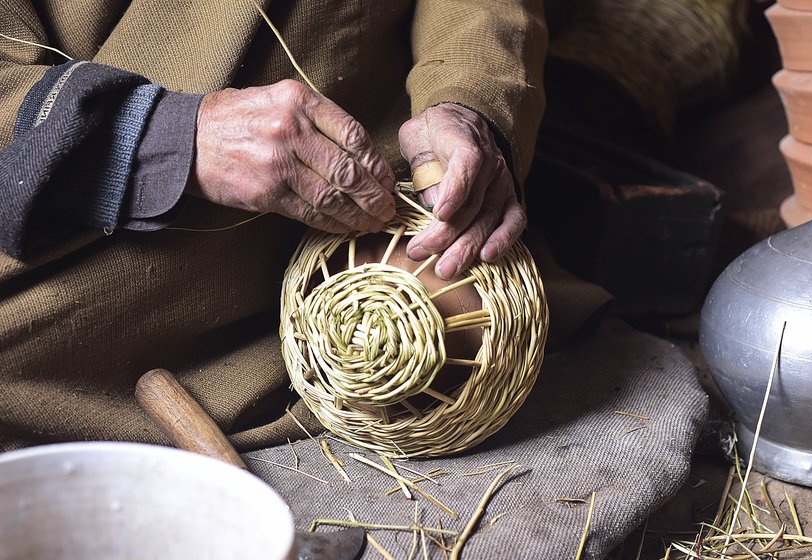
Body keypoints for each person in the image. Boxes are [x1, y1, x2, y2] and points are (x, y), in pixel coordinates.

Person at [0, 0, 548, 450]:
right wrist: (160, 134)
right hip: (74, 257)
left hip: (372, 202)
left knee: (465, 308)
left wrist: (470, 103)